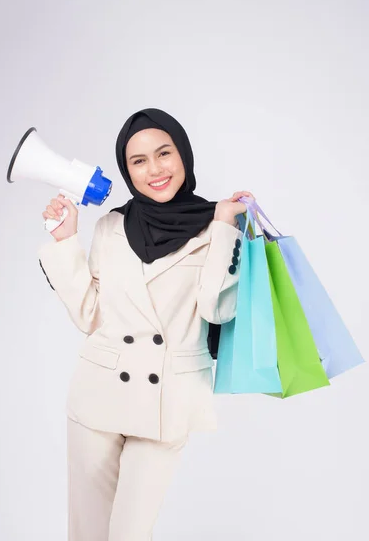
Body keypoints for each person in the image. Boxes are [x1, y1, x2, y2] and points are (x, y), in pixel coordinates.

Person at [38, 108, 254, 541]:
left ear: (183, 155)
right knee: (88, 533)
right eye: (139, 161)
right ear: (127, 170)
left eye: (164, 153)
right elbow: (89, 314)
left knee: (129, 533)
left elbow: (218, 309)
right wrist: (65, 243)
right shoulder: (110, 227)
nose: (155, 169)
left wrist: (227, 226)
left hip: (166, 403)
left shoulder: (217, 224)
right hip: (98, 397)